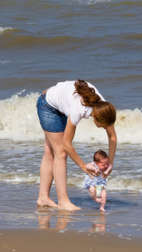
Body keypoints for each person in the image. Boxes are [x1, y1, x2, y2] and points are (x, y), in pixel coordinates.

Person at [36, 80, 117, 211]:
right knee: (61, 152)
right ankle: (63, 201)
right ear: (96, 118)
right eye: (103, 126)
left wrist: (110, 163)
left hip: (59, 102)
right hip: (48, 106)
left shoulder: (104, 108)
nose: (104, 128)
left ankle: (43, 198)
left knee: (50, 151)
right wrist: (83, 166)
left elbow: (112, 137)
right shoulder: (78, 109)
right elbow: (67, 144)